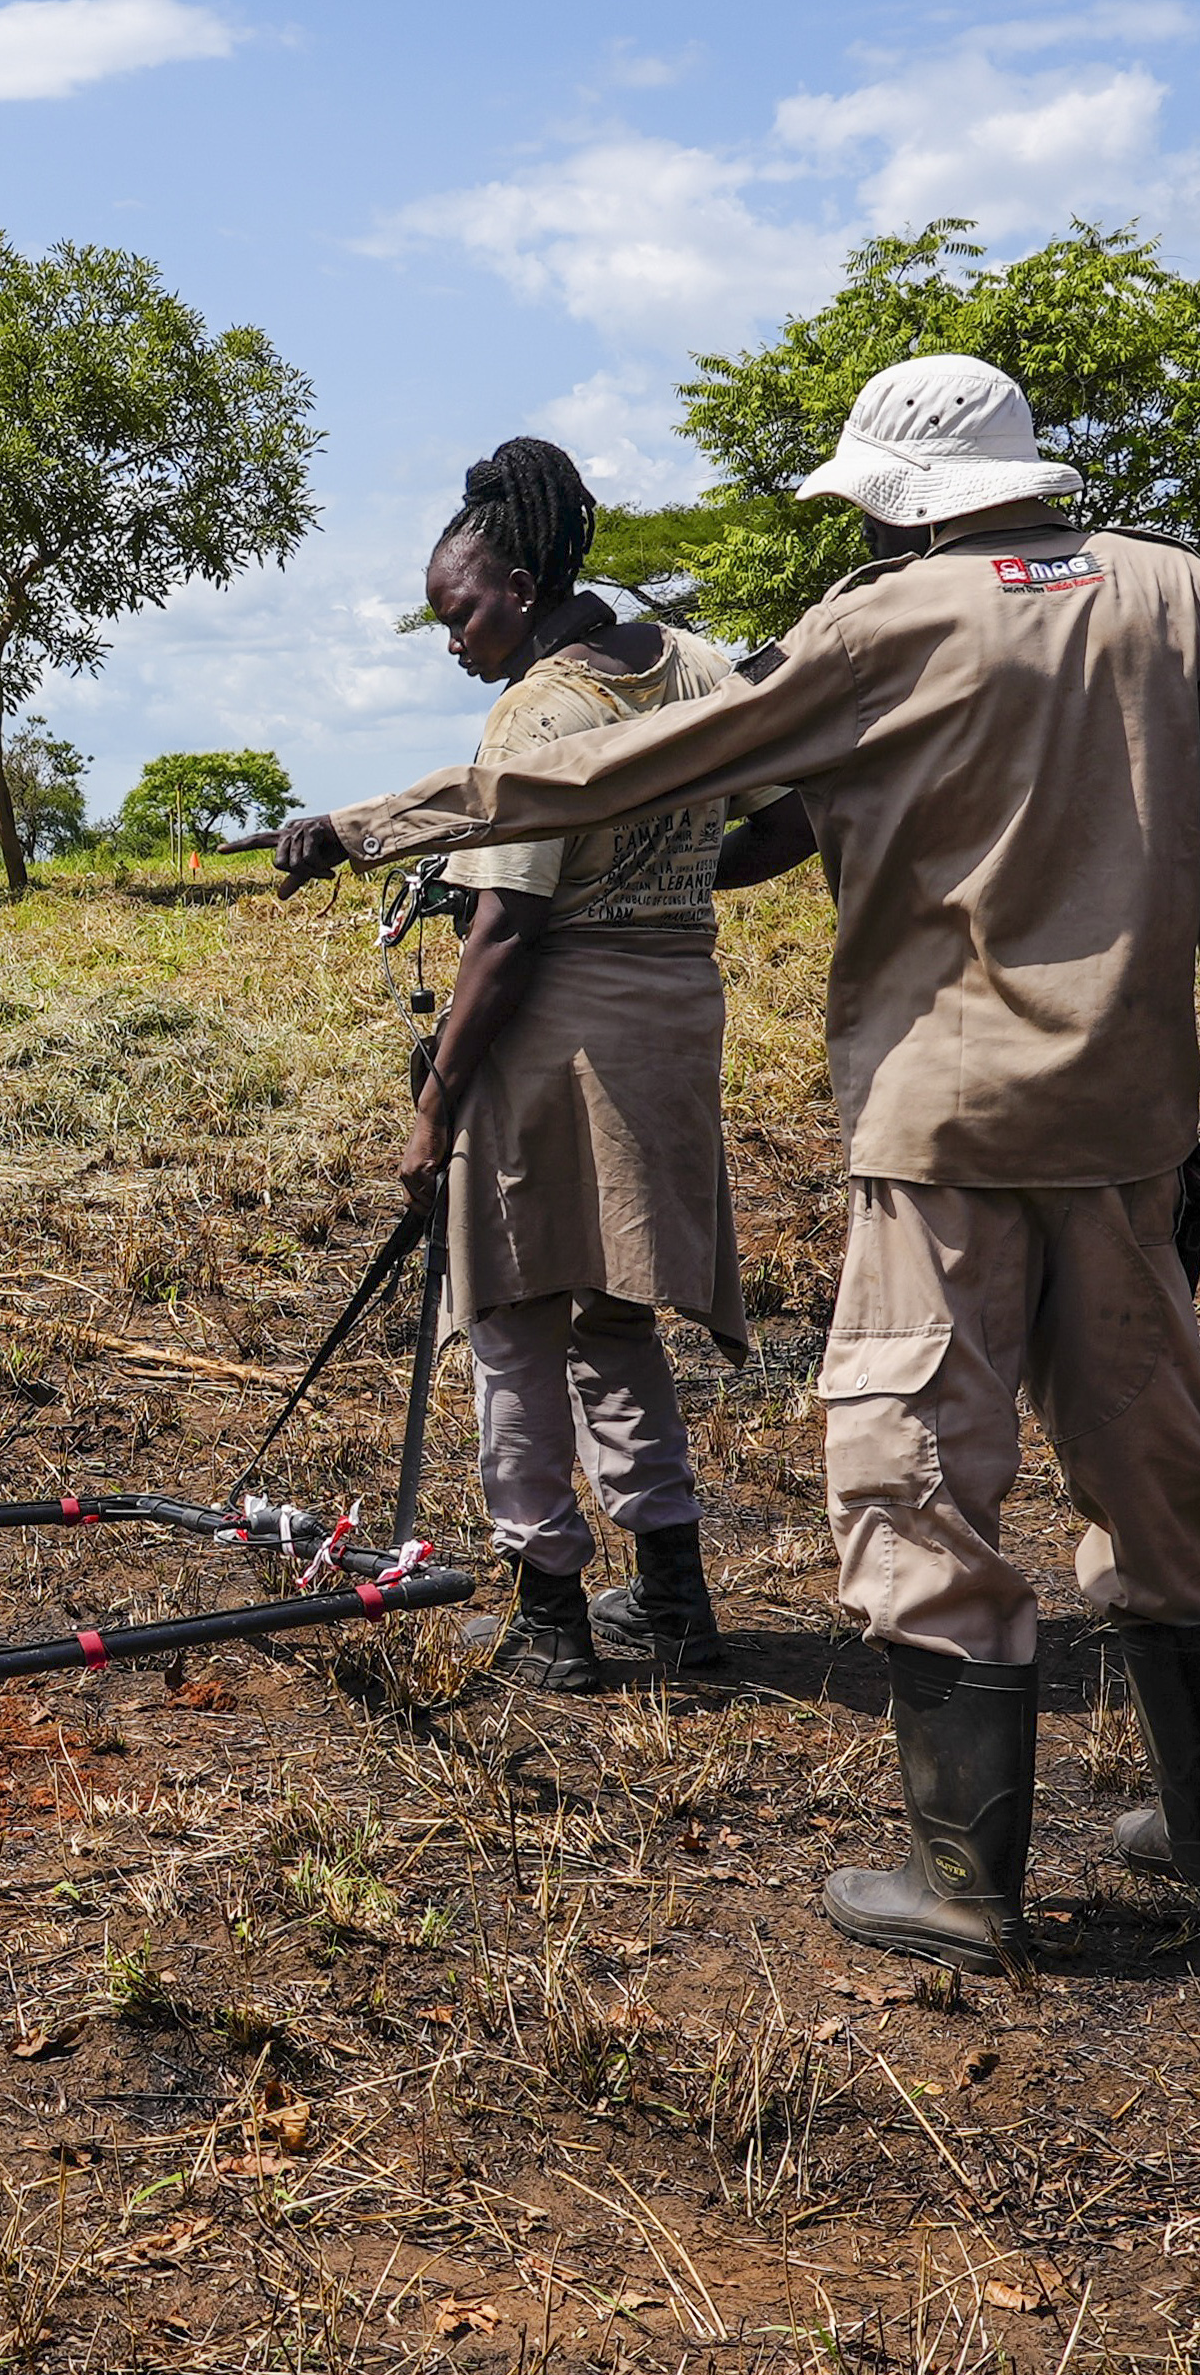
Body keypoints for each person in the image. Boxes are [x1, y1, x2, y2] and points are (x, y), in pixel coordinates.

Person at [275, 355, 1200, 1976]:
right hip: (1131, 1125)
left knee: (913, 1467)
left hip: (944, 1129)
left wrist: (376, 821)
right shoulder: (1172, 594)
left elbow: (615, 774)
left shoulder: (879, 621)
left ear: (894, 495)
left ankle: (969, 1883)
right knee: (1148, 1450)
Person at [396, 441, 785, 1692]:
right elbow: (796, 808)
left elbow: (503, 933)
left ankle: (549, 1614)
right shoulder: (696, 666)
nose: (451, 640)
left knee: (509, 1314)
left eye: (457, 612)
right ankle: (672, 1600)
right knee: (614, 1315)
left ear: (515, 582)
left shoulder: (537, 710)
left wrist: (433, 1107)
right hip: (675, 1017)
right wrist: (671, 885)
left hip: (554, 1039)